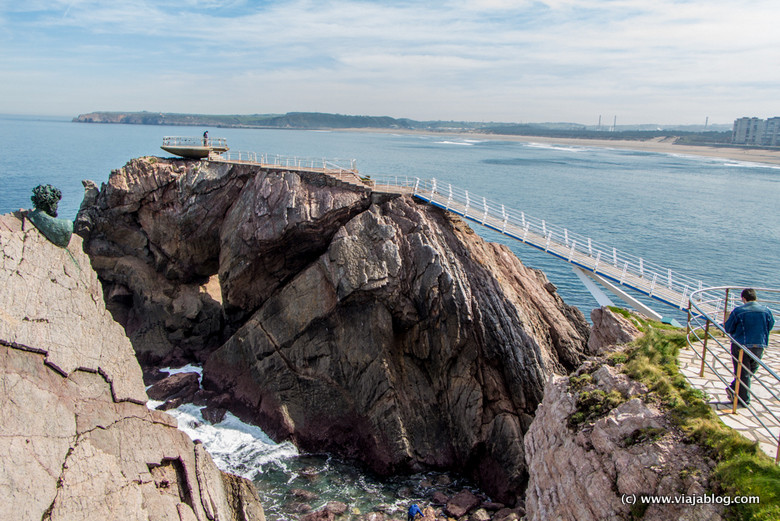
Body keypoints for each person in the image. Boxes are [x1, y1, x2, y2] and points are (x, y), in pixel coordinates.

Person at [724, 288, 775, 406]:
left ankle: (742, 400)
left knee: (743, 372)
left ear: (743, 299)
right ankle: (736, 392)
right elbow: (770, 325)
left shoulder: (738, 311)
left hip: (740, 345)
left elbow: (728, 328)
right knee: (749, 371)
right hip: (759, 344)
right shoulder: (766, 311)